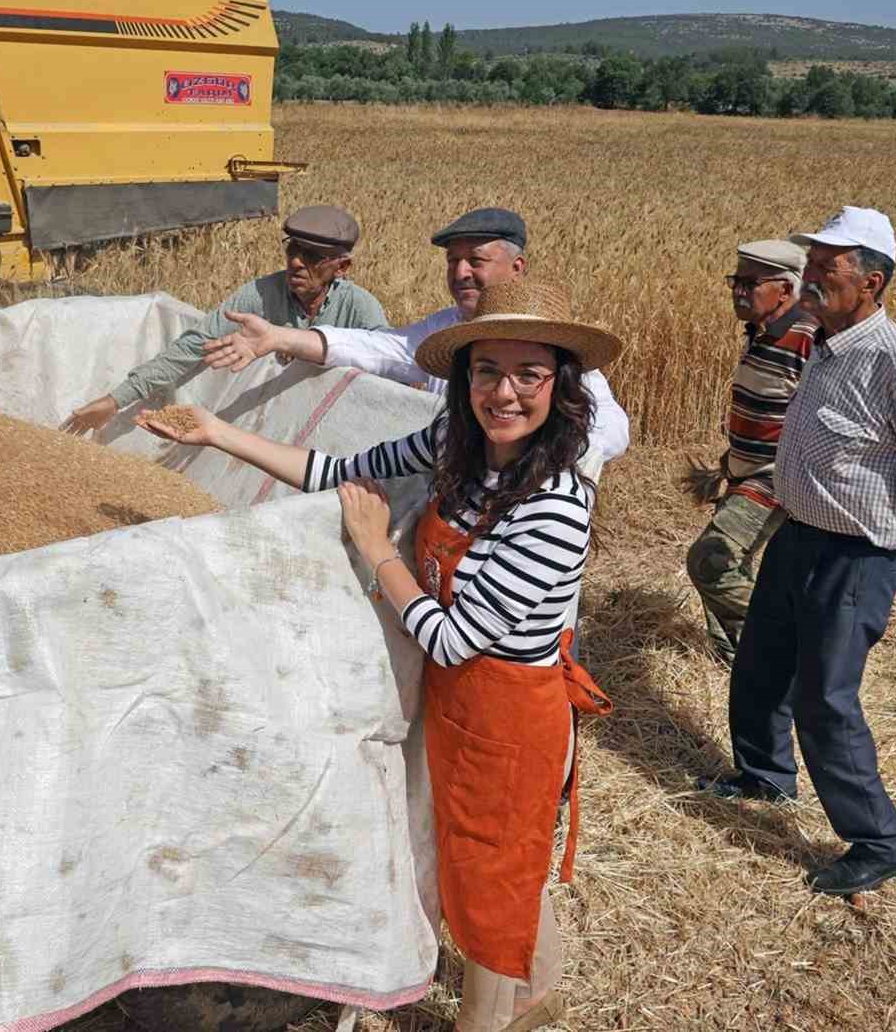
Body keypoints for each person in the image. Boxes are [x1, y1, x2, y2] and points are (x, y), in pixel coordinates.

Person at [139, 279, 618, 1032]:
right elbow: (339, 473)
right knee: (491, 861)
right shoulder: (453, 447)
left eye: (530, 374)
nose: (505, 393)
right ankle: (538, 991)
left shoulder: (556, 502)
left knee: (491, 873)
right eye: (488, 370)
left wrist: (374, 550)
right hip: (459, 702)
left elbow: (453, 637)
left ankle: (488, 1018)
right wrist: (217, 434)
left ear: (561, 386)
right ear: (465, 379)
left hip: (512, 714)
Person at [696, 207, 896, 897]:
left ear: (872, 282)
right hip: (799, 536)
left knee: (825, 699)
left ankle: (882, 840)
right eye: (809, 266)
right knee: (760, 664)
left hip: (856, 554)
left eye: (827, 270)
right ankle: (765, 775)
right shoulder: (820, 341)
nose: (810, 280)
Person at [200, 207, 631, 463]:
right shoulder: (442, 330)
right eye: (453, 261)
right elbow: (378, 347)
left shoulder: (548, 342)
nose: (461, 273)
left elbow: (612, 429)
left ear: (516, 269)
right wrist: (278, 337)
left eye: (476, 261)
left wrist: (527, 454)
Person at [62, 205, 387, 435]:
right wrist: (116, 399)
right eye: (292, 251)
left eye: (312, 256)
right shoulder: (260, 295)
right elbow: (193, 346)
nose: (297, 263)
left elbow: (390, 376)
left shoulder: (360, 308)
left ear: (342, 267)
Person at [685, 240, 819, 668]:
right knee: (731, 566)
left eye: (750, 283)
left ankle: (794, 639)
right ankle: (741, 663)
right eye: (735, 281)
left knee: (711, 561)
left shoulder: (807, 340)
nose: (738, 291)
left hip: (776, 477)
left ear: (784, 289)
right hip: (746, 470)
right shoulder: (760, 333)